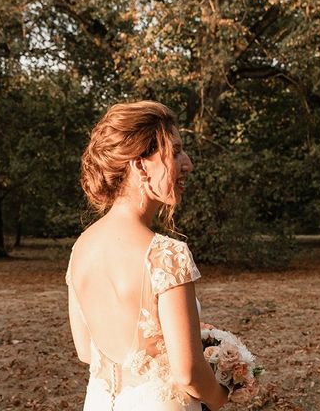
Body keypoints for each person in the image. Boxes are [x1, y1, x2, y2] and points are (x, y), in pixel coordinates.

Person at [65, 101, 229, 411]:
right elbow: (189, 374)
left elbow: (86, 350)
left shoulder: (81, 248)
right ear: (140, 165)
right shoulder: (167, 255)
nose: (188, 163)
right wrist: (222, 396)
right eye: (176, 151)